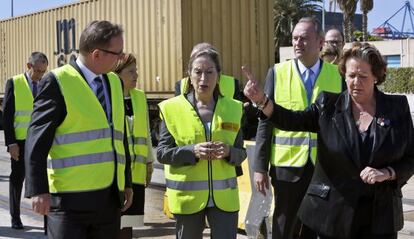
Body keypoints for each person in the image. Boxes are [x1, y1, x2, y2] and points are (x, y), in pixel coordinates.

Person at [243, 42, 414, 239]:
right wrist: (263, 101)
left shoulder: (397, 107)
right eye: (351, 76)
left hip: (380, 218)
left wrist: (388, 173)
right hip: (335, 217)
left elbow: (410, 157)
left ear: (376, 76)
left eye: (363, 76)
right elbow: (292, 119)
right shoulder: (328, 105)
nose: (355, 82)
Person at [24, 20, 133, 239]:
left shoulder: (114, 82)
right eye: (118, 53)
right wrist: (38, 189)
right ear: (96, 54)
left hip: (109, 199)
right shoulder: (57, 81)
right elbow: (36, 139)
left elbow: (119, 138)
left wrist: (126, 182)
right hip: (69, 202)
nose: (121, 58)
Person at [252, 17, 344, 239]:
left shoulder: (337, 76)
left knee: (317, 228)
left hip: (323, 168)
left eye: (304, 38)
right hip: (287, 168)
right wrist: (260, 166)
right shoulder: (277, 72)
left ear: (320, 42)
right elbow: (265, 122)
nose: (297, 43)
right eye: (294, 38)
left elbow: (342, 124)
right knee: (285, 227)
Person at [157, 43, 246, 239]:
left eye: (209, 72)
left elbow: (242, 153)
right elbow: (162, 152)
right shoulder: (172, 109)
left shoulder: (234, 108)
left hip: (224, 200)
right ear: (189, 74)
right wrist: (192, 151)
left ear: (219, 75)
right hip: (188, 199)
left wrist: (229, 151)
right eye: (198, 72)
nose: (203, 78)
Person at [2, 52, 48, 229]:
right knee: (17, 179)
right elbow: (7, 116)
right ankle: (15, 217)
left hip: (39, 141)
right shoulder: (14, 82)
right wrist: (10, 143)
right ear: (29, 66)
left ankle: (47, 222)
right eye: (38, 71)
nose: (40, 75)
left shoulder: (45, 83)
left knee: (42, 181)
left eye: (43, 71)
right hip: (20, 142)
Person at [114, 54, 154, 239]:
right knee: (115, 222)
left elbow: (145, 132)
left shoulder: (139, 97)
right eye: (131, 71)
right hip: (116, 172)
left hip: (135, 173)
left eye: (136, 71)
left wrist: (149, 163)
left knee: (129, 222)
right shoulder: (110, 97)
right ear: (117, 74)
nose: (136, 75)